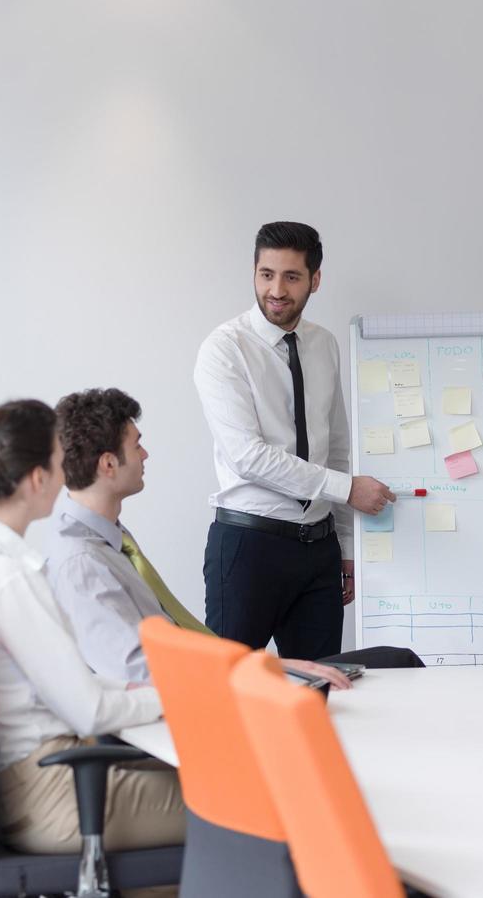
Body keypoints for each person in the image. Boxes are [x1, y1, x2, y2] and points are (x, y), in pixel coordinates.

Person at [38, 387, 420, 689]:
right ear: (108, 464)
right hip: (211, 703)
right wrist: (260, 670)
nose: (146, 453)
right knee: (389, 668)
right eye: (136, 444)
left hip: (225, 678)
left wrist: (265, 666)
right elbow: (137, 674)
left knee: (387, 664)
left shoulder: (109, 540)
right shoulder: (81, 562)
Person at [0, 399, 185, 857]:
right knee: (247, 801)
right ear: (37, 478)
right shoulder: (11, 577)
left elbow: (67, 684)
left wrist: (136, 691)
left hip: (18, 783)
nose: (67, 468)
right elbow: (88, 711)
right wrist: (180, 696)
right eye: (57, 459)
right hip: (52, 793)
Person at [193, 221, 396, 660]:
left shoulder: (323, 344)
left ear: (315, 280)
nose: (277, 290)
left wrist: (345, 544)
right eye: (266, 274)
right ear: (253, 272)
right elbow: (248, 456)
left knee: (320, 692)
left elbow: (335, 444)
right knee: (231, 692)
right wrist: (346, 490)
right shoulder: (224, 349)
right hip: (249, 546)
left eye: (291, 276)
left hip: (318, 551)